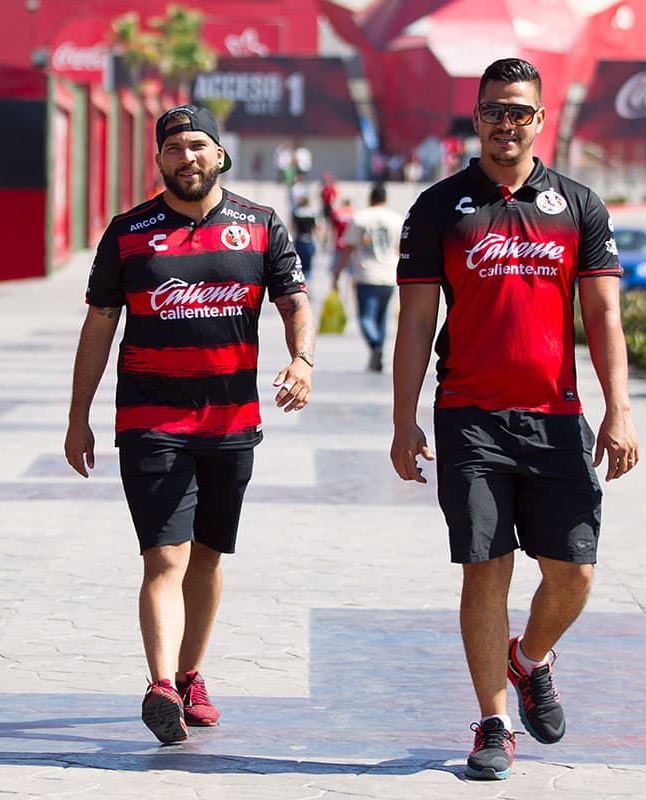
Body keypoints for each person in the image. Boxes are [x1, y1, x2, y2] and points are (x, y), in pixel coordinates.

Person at [390, 59, 639, 781]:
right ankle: (494, 722)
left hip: (556, 416)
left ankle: (529, 660)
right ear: (476, 117)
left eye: (520, 112)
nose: (507, 123)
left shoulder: (579, 205)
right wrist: (404, 421)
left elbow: (604, 315)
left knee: (576, 572)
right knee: (484, 569)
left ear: (540, 120)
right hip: (468, 416)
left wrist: (619, 409)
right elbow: (413, 325)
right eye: (495, 110)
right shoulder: (439, 207)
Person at [64, 103, 316, 745]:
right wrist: (78, 417)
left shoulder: (260, 228)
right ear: (159, 160)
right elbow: (98, 327)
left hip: (232, 422)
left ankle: (190, 672)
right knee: (164, 556)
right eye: (174, 149)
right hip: (151, 421)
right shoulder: (127, 232)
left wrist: (302, 360)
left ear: (221, 155)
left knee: (207, 554)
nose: (187, 158)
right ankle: (161, 686)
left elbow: (294, 302)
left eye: (198, 146)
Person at [334, 183, 402, 372]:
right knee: (381, 317)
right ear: (385, 198)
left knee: (365, 317)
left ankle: (375, 347)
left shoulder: (360, 218)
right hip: (389, 274)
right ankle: (378, 351)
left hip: (366, 273)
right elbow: (401, 248)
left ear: (370, 198)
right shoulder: (396, 219)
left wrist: (337, 272)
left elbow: (347, 247)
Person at [291, 194, 320, 284]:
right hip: (309, 240)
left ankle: (300, 282)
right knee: (308, 265)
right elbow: (316, 228)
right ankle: (308, 283)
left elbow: (293, 227)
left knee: (298, 264)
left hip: (299, 240)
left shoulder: (297, 212)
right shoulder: (312, 213)